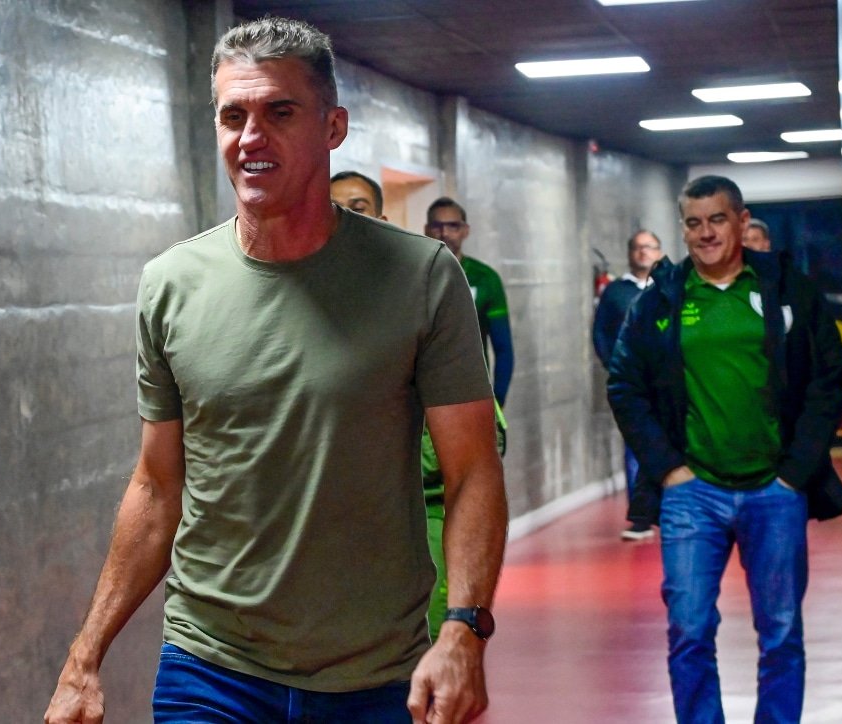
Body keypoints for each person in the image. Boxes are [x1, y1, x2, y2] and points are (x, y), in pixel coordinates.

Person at [45, 18, 508, 724]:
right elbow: (157, 484)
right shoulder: (170, 284)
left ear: (332, 127)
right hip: (210, 664)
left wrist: (464, 630)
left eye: (280, 113)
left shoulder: (420, 277)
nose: (251, 137)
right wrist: (84, 656)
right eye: (233, 116)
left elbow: (472, 469)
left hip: (372, 672)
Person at [607, 175, 842, 723]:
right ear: (683, 229)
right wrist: (668, 469)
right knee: (689, 630)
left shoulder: (786, 288)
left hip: (775, 491)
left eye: (717, 219)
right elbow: (624, 385)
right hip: (693, 494)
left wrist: (795, 471)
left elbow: (827, 378)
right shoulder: (661, 298)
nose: (706, 233)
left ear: (741, 221)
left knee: (781, 632)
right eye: (693, 223)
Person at [329, 171, 508, 641]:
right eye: (332, 207)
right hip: (341, 523)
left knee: (426, 636)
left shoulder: (422, 292)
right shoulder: (309, 305)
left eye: (357, 208)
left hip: (423, 500)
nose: (343, 219)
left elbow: (473, 464)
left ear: (382, 220)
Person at [592, 229, 663, 541]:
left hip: (668, 381)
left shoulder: (670, 286)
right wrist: (615, 367)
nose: (643, 252)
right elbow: (600, 333)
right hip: (632, 382)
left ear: (659, 252)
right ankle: (640, 518)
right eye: (638, 247)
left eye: (649, 247)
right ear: (630, 253)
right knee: (635, 445)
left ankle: (674, 511)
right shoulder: (615, 292)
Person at [424, 198, 515, 407]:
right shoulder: (412, 276)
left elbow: (503, 348)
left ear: (465, 231)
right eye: (437, 226)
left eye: (453, 226)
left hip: (471, 395)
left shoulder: (485, 279)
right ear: (426, 230)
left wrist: (498, 401)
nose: (444, 233)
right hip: (421, 399)